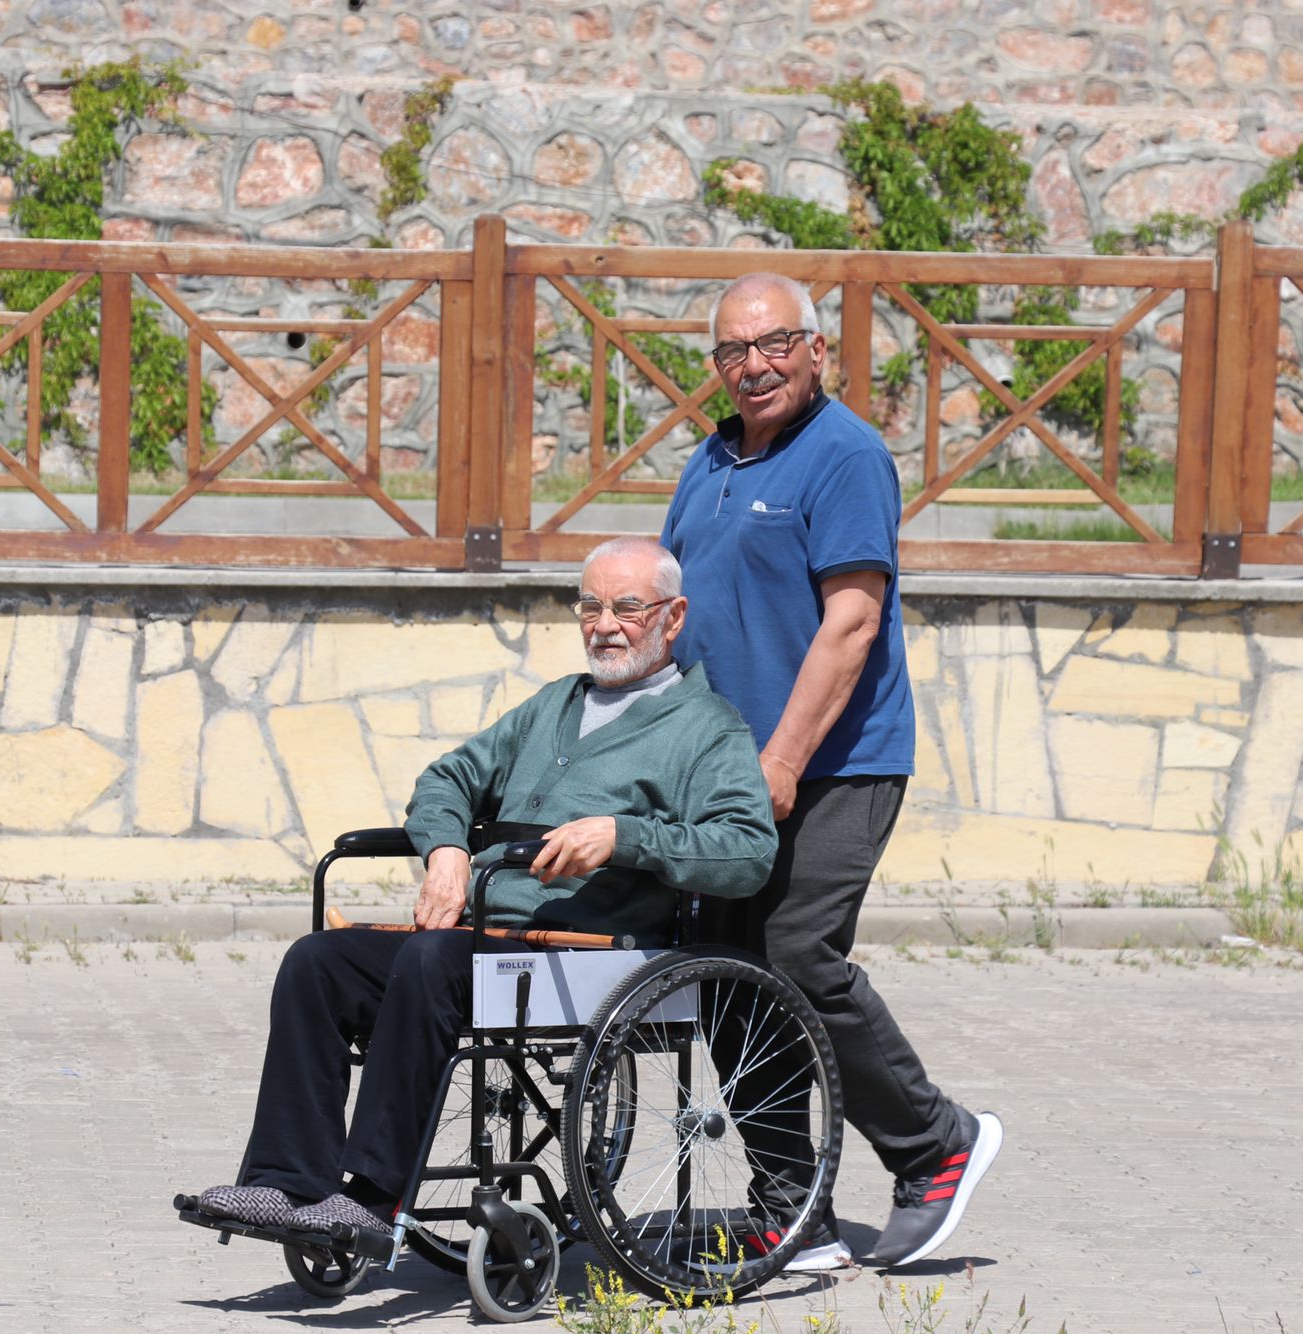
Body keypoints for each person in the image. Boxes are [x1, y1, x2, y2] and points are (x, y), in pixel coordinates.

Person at [192, 537, 778, 1237]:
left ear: (673, 618)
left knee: (431, 960)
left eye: (628, 607)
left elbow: (747, 851)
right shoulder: (553, 705)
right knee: (318, 962)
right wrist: (445, 852)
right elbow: (448, 778)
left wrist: (626, 837)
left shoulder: (707, 728)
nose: (604, 625)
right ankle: (287, 1185)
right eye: (589, 606)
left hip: (595, 954)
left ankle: (374, 1199)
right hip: (490, 943)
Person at [661, 272, 1003, 1270]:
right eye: (732, 351)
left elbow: (849, 623)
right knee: (723, 974)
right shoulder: (710, 458)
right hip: (726, 771)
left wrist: (782, 757)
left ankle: (936, 1144)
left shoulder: (844, 455)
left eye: (772, 343)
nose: (752, 364)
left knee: (797, 953)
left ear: (817, 350)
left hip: (836, 761)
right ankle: (791, 1207)